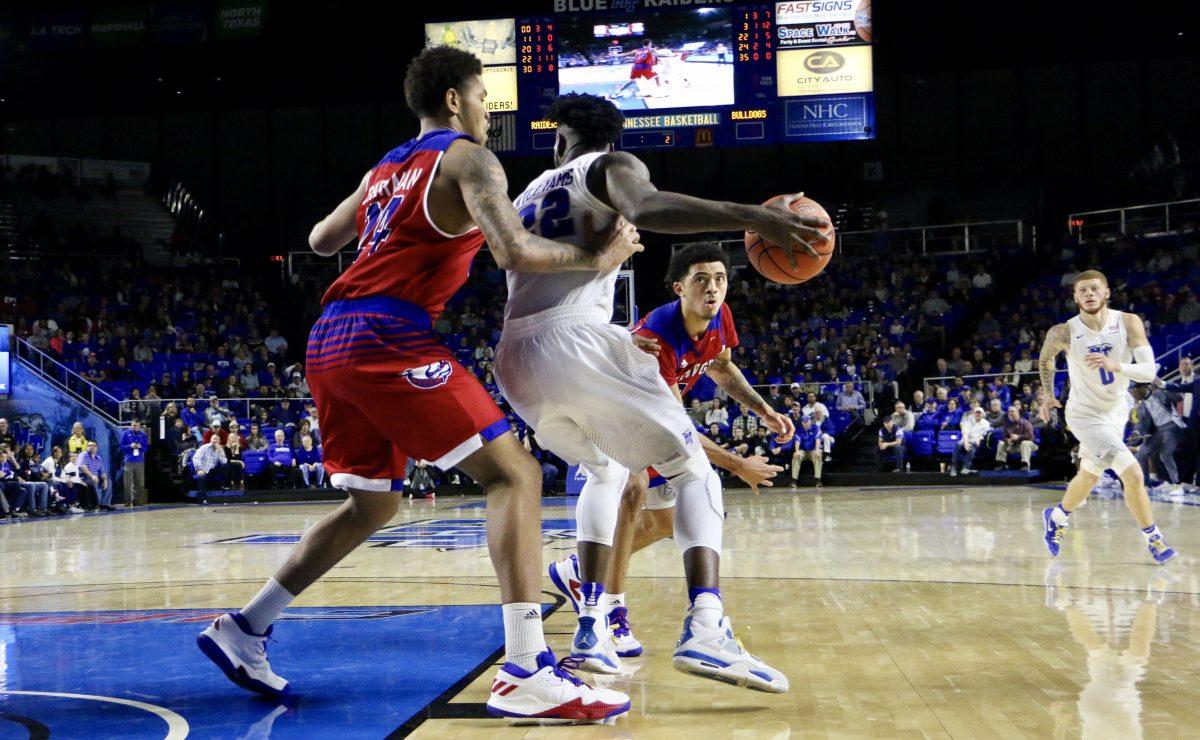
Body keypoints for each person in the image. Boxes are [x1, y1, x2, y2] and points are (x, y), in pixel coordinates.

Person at [199, 47, 640, 720]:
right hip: (387, 332)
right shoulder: (468, 158)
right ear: (456, 100)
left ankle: (246, 627)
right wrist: (596, 256)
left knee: (373, 506)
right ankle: (525, 665)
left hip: (330, 336)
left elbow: (321, 239)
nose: (490, 110)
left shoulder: (385, 167)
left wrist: (385, 214)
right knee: (514, 475)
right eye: (484, 96)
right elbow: (514, 250)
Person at [496, 93, 824, 693]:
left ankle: (592, 629)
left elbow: (541, 280)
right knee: (695, 471)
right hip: (574, 343)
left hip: (516, 359)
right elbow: (648, 206)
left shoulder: (525, 195)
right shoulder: (608, 166)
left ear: (557, 139)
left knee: (607, 474)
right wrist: (756, 215)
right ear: (609, 139)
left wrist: (603, 293)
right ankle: (706, 626)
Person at [548, 244, 788, 666]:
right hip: (615, 407)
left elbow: (721, 366)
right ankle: (611, 609)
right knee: (632, 489)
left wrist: (763, 410)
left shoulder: (718, 315)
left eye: (719, 279)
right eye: (701, 280)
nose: (712, 289)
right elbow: (679, 433)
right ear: (679, 288)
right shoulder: (658, 337)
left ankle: (577, 569)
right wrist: (738, 464)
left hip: (648, 414)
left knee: (663, 522)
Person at [1038, 270, 1176, 563]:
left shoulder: (1127, 322)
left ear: (1107, 293)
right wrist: (1048, 394)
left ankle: (1057, 517)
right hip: (1084, 414)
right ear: (1075, 297)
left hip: (1116, 412)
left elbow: (1149, 372)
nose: (1089, 294)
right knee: (1133, 472)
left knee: (1088, 476)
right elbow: (1046, 359)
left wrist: (1117, 366)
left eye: (1094, 289)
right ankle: (1155, 539)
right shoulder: (1062, 331)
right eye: (1083, 290)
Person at [1130, 384, 1186, 493]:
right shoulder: (1141, 406)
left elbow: (1179, 399)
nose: (1133, 395)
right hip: (1157, 432)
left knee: (1165, 454)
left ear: (1143, 388)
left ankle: (1177, 485)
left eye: (1134, 391)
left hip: (1171, 427)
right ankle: (1146, 484)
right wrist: (1136, 433)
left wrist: (1179, 416)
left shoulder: (1160, 394)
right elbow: (1140, 425)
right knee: (1141, 454)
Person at [1154, 357, 1197, 486]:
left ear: (1193, 366)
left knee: (1193, 452)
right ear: (1179, 367)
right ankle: (1178, 480)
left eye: (1187, 364)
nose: (1184, 367)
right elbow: (1176, 403)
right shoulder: (1178, 382)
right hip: (1181, 421)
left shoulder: (1197, 381)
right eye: (1182, 365)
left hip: (1194, 421)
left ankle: (1190, 480)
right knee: (1180, 451)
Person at [994, 405, 1037, 471]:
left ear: (1017, 413)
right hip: (1015, 446)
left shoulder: (1025, 422)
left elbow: (1030, 435)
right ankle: (1001, 464)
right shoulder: (1007, 425)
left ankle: (1025, 465)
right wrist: (1007, 440)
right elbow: (1004, 437)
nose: (1010, 413)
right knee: (1001, 443)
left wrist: (1018, 437)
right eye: (1009, 412)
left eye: (1012, 411)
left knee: (1024, 443)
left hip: (1030, 445)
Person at [951, 406, 990, 476]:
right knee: (958, 444)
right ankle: (955, 467)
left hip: (978, 442)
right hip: (966, 441)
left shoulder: (986, 423)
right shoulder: (968, 422)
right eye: (976, 413)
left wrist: (980, 438)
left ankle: (965, 467)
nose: (978, 414)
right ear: (974, 414)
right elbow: (965, 433)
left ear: (982, 414)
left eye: (979, 413)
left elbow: (985, 433)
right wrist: (965, 443)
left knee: (972, 445)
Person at [76, 441, 114, 510]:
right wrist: (92, 476)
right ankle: (96, 505)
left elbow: (102, 471)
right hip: (84, 477)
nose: (92, 447)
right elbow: (82, 466)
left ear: (97, 448)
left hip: (95, 477)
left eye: (94, 445)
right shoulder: (83, 454)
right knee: (90, 481)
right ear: (87, 447)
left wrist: (105, 480)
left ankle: (104, 504)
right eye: (90, 445)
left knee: (108, 481)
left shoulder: (98, 458)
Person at [120, 419, 149, 506]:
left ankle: (137, 501)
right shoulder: (126, 433)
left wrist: (140, 447)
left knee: (138, 482)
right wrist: (130, 446)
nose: (136, 427)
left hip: (139, 461)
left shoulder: (143, 434)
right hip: (128, 460)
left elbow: (146, 448)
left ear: (139, 425)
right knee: (127, 483)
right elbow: (121, 446)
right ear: (131, 425)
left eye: (137, 426)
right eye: (134, 426)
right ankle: (127, 501)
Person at [790, 416, 823, 487]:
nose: (806, 423)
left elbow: (818, 439)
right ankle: (794, 480)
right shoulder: (799, 430)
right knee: (796, 456)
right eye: (804, 422)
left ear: (810, 421)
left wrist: (817, 450)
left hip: (813, 450)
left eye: (807, 422)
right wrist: (796, 451)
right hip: (803, 451)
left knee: (817, 455)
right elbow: (797, 441)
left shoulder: (816, 428)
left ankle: (818, 480)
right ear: (802, 423)